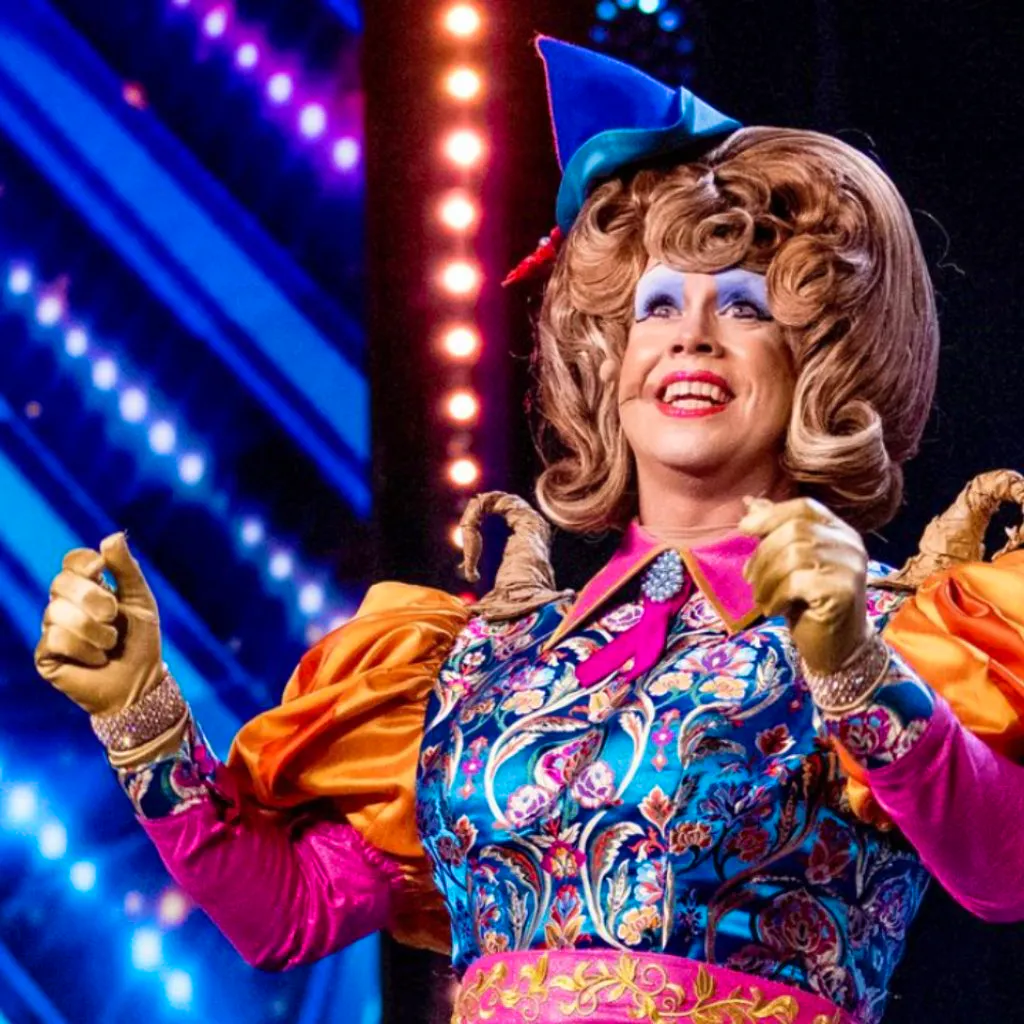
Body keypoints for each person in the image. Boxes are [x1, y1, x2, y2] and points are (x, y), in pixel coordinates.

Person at [34, 37, 1024, 1024]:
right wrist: (137, 711)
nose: (689, 334)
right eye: (656, 305)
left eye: (743, 308)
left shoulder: (893, 634)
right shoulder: (483, 662)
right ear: (607, 352)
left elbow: (1002, 869)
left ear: (818, 358)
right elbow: (286, 911)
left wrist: (849, 660)